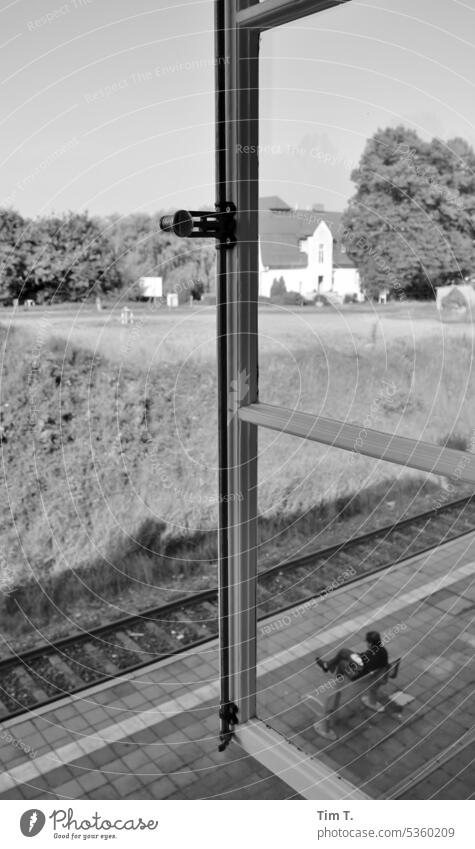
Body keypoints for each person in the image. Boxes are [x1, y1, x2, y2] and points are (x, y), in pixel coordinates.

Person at [316, 630, 388, 681]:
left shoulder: (369, 655)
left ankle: (339, 681)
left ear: (371, 643)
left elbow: (355, 664)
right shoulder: (382, 650)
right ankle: (327, 666)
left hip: (361, 677)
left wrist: (354, 657)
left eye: (367, 642)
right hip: (373, 672)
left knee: (342, 662)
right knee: (343, 651)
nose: (366, 643)